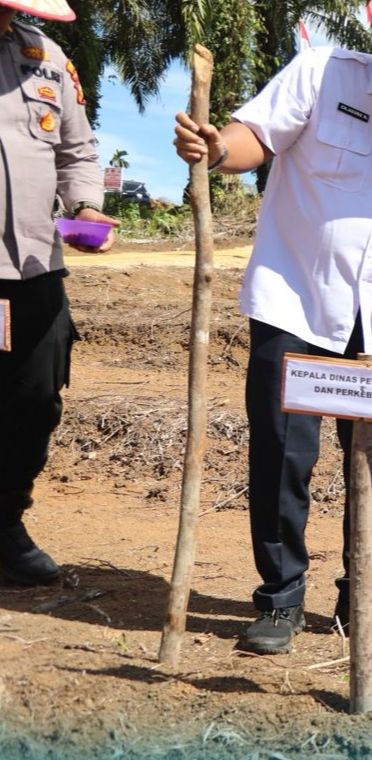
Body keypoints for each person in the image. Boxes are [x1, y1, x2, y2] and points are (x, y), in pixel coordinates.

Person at [171, 0, 372, 654]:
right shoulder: (326, 74)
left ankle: (367, 603)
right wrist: (217, 150)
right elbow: (255, 137)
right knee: (283, 457)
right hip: (295, 299)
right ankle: (281, 600)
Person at [0, 0, 118, 587]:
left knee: (34, 399)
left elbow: (75, 150)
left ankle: (6, 526)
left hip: (32, 265)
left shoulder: (45, 56)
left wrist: (86, 206)